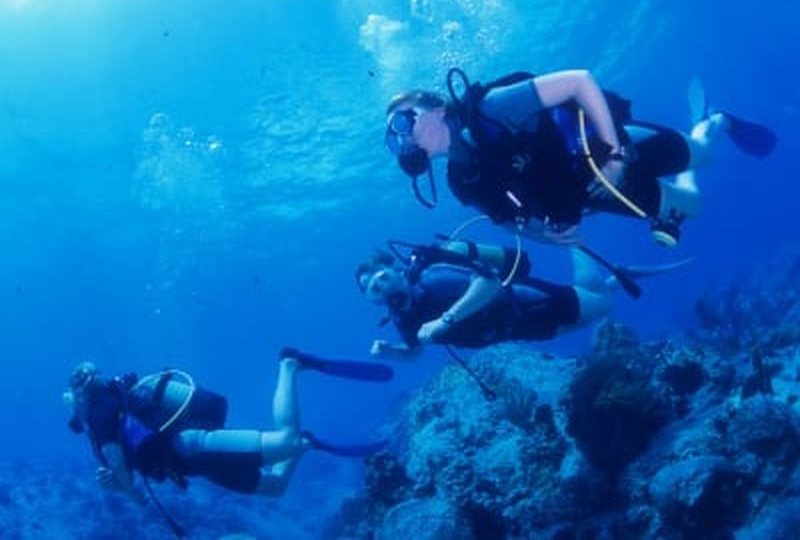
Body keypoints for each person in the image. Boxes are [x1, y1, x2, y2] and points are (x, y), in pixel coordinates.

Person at [384, 69, 777, 247]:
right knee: (693, 207)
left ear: (436, 108)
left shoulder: (493, 108)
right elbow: (506, 221)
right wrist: (547, 236)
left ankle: (715, 120)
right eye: (394, 136)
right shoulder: (461, 179)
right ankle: (705, 130)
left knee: (702, 156)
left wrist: (616, 157)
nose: (404, 137)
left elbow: (578, 81)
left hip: (613, 149)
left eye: (405, 120)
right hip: (598, 192)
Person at [64, 349, 392, 504]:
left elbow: (121, 466)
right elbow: (128, 462)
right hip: (196, 464)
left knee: (286, 440)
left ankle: (289, 364)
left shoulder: (98, 413)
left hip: (197, 448)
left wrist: (130, 494)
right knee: (275, 486)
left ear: (79, 395)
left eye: (69, 398)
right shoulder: (109, 409)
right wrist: (118, 485)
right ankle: (305, 443)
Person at [354, 238, 687, 360]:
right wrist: (392, 353)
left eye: (381, 276)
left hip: (532, 303)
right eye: (371, 288)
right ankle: (610, 278)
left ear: (395, 270)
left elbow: (490, 283)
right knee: (591, 308)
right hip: (520, 329)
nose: (379, 285)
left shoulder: (433, 280)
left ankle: (575, 244)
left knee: (603, 304)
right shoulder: (402, 318)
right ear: (371, 300)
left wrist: (445, 320)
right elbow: (415, 350)